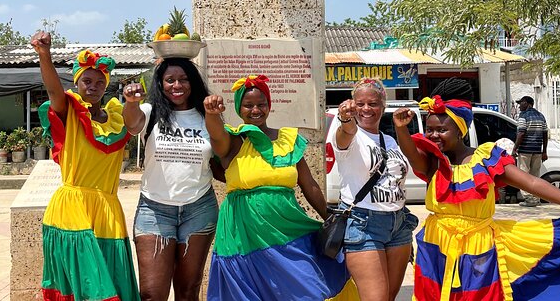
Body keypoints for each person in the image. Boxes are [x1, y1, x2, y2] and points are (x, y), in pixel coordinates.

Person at [393, 78, 560, 301]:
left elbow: (531, 183)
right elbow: (411, 152)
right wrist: (401, 129)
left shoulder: (486, 159)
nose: (433, 136)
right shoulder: (432, 161)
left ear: (460, 130)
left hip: (478, 244)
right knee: (433, 294)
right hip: (437, 241)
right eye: (430, 130)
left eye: (441, 130)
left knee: (478, 295)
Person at [204, 74, 358, 300]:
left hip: (287, 228)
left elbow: (309, 185)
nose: (255, 110)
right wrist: (211, 113)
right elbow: (215, 132)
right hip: (243, 232)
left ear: (269, 106)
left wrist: (330, 219)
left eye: (261, 104)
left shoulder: (288, 141)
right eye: (248, 105)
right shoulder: (235, 141)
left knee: (306, 285)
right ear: (239, 108)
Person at [31, 31, 139, 301]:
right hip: (72, 207)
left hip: (107, 210)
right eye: (86, 81)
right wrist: (45, 55)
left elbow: (138, 120)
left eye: (99, 82)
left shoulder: (117, 117)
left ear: (106, 86)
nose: (93, 86)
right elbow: (54, 90)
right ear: (77, 84)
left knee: (111, 282)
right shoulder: (70, 113)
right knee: (92, 288)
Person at [122, 57, 220, 301]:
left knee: (188, 292)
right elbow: (132, 125)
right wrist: (131, 102)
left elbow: (222, 155)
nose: (177, 85)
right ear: (160, 83)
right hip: (154, 210)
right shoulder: (150, 112)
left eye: (184, 79)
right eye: (170, 80)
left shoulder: (205, 116)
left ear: (193, 83)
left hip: (199, 209)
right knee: (151, 293)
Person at [328, 77, 418, 301]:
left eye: (373, 103)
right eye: (360, 104)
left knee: (388, 297)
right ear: (352, 104)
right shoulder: (349, 135)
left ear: (383, 106)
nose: (366, 109)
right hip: (363, 224)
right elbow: (345, 133)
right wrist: (345, 119)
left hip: (399, 224)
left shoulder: (389, 140)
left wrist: (402, 129)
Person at [513, 95, 549, 207]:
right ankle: (535, 198)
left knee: (523, 175)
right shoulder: (541, 116)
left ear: (528, 103)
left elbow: (521, 133)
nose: (519, 106)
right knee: (535, 176)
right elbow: (545, 134)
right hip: (537, 151)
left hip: (525, 151)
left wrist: (515, 149)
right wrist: (544, 151)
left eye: (521, 103)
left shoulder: (523, 116)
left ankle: (529, 199)